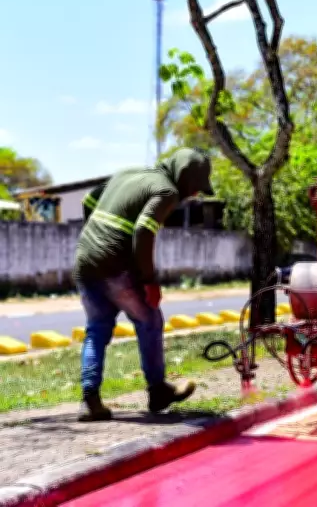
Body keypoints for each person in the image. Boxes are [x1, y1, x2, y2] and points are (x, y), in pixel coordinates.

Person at [74, 148, 214, 422]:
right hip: (117, 266)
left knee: (97, 329)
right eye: (195, 188)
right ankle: (158, 391)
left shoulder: (128, 173)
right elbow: (143, 231)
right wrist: (149, 280)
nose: (194, 195)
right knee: (149, 318)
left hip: (84, 260)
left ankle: (90, 400)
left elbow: (87, 199)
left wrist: (95, 238)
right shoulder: (166, 191)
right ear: (183, 177)